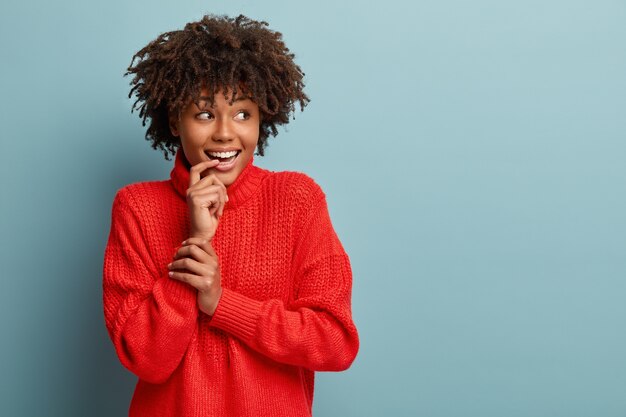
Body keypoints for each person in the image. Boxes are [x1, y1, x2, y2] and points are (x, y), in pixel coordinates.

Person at [102, 13, 359, 417]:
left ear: (262, 120)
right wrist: (197, 242)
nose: (225, 132)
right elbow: (145, 359)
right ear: (174, 120)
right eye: (204, 114)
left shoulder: (297, 199)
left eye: (243, 114)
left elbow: (335, 341)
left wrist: (221, 303)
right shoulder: (136, 207)